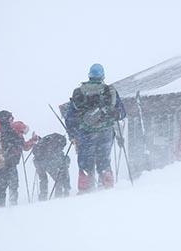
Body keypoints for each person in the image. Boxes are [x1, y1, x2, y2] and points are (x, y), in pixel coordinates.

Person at [65, 64, 126, 194]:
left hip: (85, 134)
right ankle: (107, 187)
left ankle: (85, 190)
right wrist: (114, 114)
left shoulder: (78, 93)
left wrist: (72, 134)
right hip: (105, 132)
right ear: (102, 76)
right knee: (104, 161)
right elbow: (122, 113)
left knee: (85, 163)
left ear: (89, 76)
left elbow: (70, 118)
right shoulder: (110, 91)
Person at [32, 133, 71, 201]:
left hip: (37, 161)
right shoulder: (56, 142)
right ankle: (58, 197)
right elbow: (58, 155)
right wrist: (66, 160)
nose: (62, 148)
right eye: (63, 146)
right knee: (58, 180)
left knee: (43, 180)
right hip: (45, 161)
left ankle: (43, 197)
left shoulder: (47, 140)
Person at [9, 121, 39, 205]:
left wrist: (32, 141)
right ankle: (12, 202)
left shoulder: (13, 136)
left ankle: (2, 204)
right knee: (13, 183)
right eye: (23, 130)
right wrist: (32, 141)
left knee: (5, 184)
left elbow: (24, 147)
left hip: (8, 163)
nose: (23, 133)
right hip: (11, 163)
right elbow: (25, 147)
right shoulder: (17, 136)